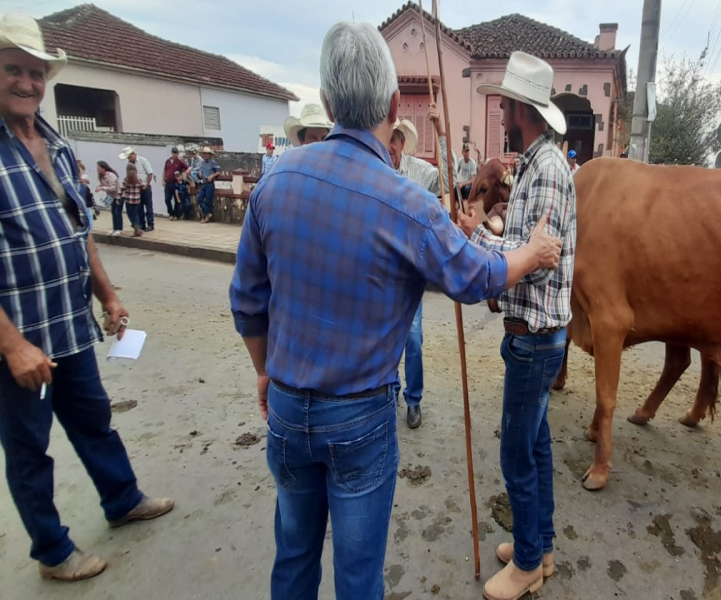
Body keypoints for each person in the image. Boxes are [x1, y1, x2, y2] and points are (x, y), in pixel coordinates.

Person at [229, 22, 562, 600]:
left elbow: (247, 303)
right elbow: (471, 276)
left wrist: (264, 370)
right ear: (390, 104)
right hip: (359, 418)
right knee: (358, 577)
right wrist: (530, 254)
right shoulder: (405, 201)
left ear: (329, 102)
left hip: (285, 406)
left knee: (293, 558)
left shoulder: (274, 180)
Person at [0, 12, 173, 583]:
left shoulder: (52, 140)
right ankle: (52, 551)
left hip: (69, 323)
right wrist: (11, 345)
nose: (27, 83)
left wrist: (108, 294)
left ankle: (122, 500)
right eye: (13, 70)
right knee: (29, 449)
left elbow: (80, 232)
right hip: (19, 336)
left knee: (93, 419)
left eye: (35, 72)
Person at [457, 51, 577, 600]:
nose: (500, 108)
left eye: (505, 102)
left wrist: (476, 235)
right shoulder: (533, 163)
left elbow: (531, 258)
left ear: (518, 107)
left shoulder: (547, 170)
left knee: (515, 452)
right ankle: (541, 546)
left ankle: (527, 564)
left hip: (534, 337)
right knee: (537, 446)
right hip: (531, 335)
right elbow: (524, 245)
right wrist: (485, 230)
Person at [386, 107, 457, 428]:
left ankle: (413, 399)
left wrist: (440, 131)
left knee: (413, 338)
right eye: (386, 138)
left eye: (395, 139)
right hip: (381, 270)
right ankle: (392, 392)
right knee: (386, 338)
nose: (389, 145)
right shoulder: (373, 169)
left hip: (410, 271)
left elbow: (448, 176)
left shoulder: (418, 172)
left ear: (402, 143)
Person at [118, 146, 154, 231]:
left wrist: (147, 185)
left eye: (129, 157)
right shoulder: (130, 165)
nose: (129, 159)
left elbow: (150, 173)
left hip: (145, 186)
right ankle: (142, 224)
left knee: (148, 206)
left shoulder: (143, 161)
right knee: (139, 207)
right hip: (136, 189)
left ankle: (150, 224)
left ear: (133, 154)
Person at [95, 161, 121, 235]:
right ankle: (114, 228)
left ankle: (119, 229)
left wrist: (102, 188)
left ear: (104, 168)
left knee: (117, 212)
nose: (97, 169)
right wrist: (99, 187)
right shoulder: (102, 176)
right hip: (111, 196)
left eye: (99, 168)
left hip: (117, 195)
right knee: (113, 212)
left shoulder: (111, 175)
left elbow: (113, 188)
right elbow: (103, 184)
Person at [195, 146, 220, 223]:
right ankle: (207, 214)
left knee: (208, 201)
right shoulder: (202, 163)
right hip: (204, 183)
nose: (205, 155)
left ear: (209, 155)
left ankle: (206, 217)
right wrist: (200, 173)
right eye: (204, 154)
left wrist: (212, 176)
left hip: (210, 183)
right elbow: (200, 170)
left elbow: (218, 171)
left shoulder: (213, 162)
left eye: (206, 154)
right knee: (199, 198)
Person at [162, 146, 187, 221]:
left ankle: (176, 214)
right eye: (174, 153)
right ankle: (171, 213)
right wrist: (163, 180)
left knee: (176, 199)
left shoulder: (179, 162)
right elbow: (164, 171)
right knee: (167, 199)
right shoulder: (167, 161)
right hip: (168, 182)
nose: (175, 154)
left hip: (175, 183)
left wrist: (183, 176)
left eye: (176, 153)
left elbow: (186, 168)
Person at [120, 163, 144, 237]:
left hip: (129, 200)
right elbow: (142, 186)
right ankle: (138, 229)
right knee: (135, 214)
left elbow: (122, 189)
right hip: (137, 200)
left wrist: (119, 197)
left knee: (130, 215)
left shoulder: (126, 180)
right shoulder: (138, 179)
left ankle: (137, 229)